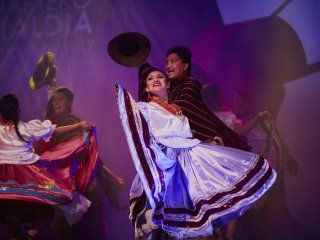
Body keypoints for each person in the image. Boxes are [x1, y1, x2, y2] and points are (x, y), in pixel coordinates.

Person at [117, 67, 276, 239]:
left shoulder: (178, 110)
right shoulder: (143, 108)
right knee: (160, 225)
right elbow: (141, 135)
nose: (155, 79)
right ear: (146, 88)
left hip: (190, 163)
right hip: (163, 165)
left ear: (168, 84)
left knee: (195, 220)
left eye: (160, 77)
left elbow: (188, 134)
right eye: (150, 78)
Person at [0, 94, 98, 240]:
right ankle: (30, 234)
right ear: (18, 111)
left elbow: (52, 130)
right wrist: (77, 126)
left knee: (12, 219)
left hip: (4, 181)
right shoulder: (25, 128)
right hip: (25, 175)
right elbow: (53, 130)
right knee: (49, 211)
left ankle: (26, 235)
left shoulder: (22, 128)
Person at [36, 84, 125, 239]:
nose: (57, 103)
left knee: (83, 231)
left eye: (61, 99)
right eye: (54, 100)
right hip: (73, 187)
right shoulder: (55, 123)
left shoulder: (70, 121)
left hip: (80, 188)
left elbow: (78, 151)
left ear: (69, 102)